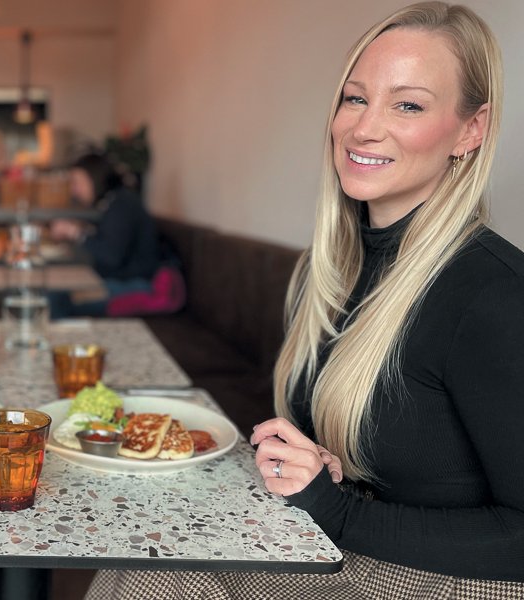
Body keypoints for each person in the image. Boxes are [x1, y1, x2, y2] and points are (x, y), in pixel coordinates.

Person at [87, 3, 524, 598]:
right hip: (343, 546)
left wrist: (339, 510)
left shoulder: (493, 292)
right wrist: (317, 465)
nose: (365, 127)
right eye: (354, 98)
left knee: (159, 578)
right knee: (148, 551)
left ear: (471, 129)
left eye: (409, 104)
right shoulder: (325, 274)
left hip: (446, 581)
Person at [48, 152, 158, 316]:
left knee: (57, 297)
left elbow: (111, 257)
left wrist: (75, 232)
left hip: (136, 286)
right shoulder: (113, 202)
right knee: (56, 291)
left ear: (94, 178)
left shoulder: (122, 204)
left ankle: (65, 339)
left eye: (77, 182)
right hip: (122, 281)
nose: (74, 190)